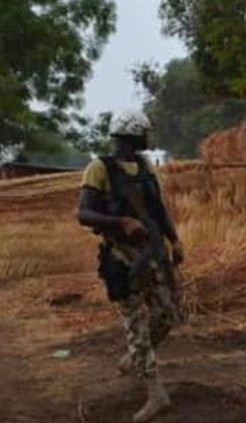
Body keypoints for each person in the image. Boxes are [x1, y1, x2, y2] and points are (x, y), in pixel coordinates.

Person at [77, 110, 184, 422]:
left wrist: (174, 240)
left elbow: (158, 208)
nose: (148, 138)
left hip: (152, 254)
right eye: (144, 132)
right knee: (136, 324)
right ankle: (155, 393)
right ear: (132, 134)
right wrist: (121, 221)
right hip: (122, 260)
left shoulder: (144, 166)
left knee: (167, 315)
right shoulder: (99, 169)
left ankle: (135, 356)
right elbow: (83, 214)